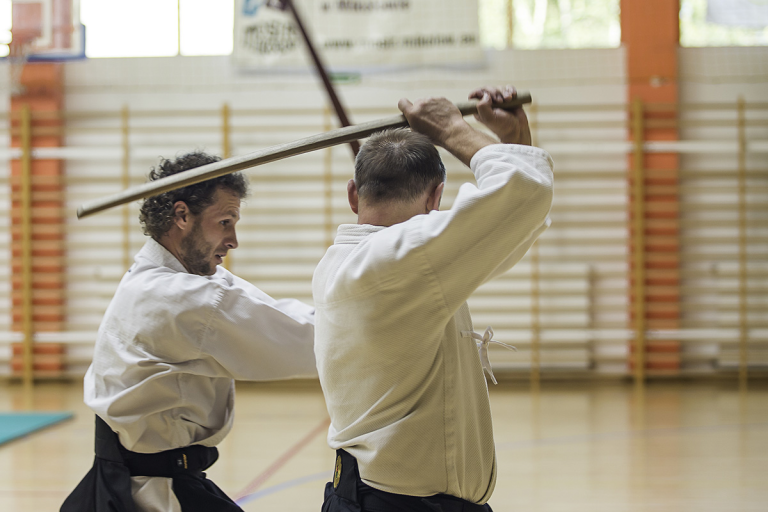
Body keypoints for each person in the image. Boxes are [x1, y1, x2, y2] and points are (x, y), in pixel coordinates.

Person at [313, 85, 554, 512]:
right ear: (435, 198)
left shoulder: (356, 262)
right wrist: (452, 130)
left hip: (382, 498)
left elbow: (510, 224)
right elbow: (524, 191)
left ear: (353, 194)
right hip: (400, 504)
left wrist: (513, 142)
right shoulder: (398, 260)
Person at [62, 152, 317, 512]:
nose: (233, 240)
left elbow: (281, 318)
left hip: (141, 478)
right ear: (182, 216)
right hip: (146, 495)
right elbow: (308, 345)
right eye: (224, 222)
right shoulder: (180, 297)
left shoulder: (170, 278)